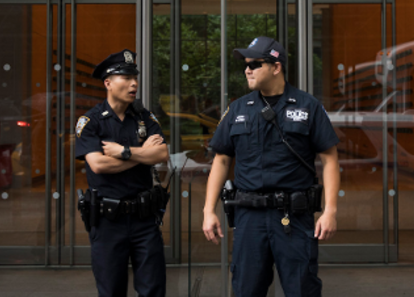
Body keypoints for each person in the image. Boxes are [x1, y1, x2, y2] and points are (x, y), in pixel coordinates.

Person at [202, 36, 340, 297]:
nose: (247, 69)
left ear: (276, 67)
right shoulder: (237, 109)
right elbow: (221, 160)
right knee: (246, 289)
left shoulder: (308, 106)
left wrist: (330, 210)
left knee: (302, 289)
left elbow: (330, 159)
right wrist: (209, 210)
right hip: (249, 218)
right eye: (246, 64)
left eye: (254, 64)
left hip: (294, 217)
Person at [75, 49, 169, 297]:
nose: (134, 83)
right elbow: (98, 165)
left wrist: (124, 152)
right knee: (111, 290)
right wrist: (140, 155)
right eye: (126, 77)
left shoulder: (143, 116)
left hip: (144, 220)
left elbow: (161, 154)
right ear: (108, 83)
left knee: (153, 290)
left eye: (135, 77)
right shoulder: (91, 121)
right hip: (108, 222)